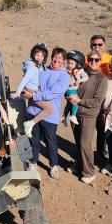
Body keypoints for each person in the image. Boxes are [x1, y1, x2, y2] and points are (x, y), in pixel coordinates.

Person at [23, 47, 70, 179]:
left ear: (63, 61)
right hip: (33, 110)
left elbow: (52, 93)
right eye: (55, 57)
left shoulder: (64, 76)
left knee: (51, 142)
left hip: (49, 116)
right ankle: (33, 162)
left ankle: (53, 165)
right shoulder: (42, 70)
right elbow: (31, 83)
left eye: (59, 58)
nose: (56, 60)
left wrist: (33, 96)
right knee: (34, 140)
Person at [67, 50, 108, 184]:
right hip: (75, 113)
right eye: (91, 59)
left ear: (100, 62)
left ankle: (89, 172)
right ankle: (80, 166)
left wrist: (80, 101)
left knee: (85, 144)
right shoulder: (82, 72)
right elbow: (73, 88)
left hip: (89, 115)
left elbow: (97, 101)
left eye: (96, 60)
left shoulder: (101, 78)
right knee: (79, 143)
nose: (93, 62)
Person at [10, 43, 53, 137]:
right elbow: (24, 80)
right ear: (33, 55)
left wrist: (46, 50)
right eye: (37, 55)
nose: (39, 57)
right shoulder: (32, 67)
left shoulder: (35, 65)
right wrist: (18, 92)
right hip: (31, 91)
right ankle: (30, 124)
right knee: (50, 109)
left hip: (35, 90)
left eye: (42, 56)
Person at [85, 35, 112, 165]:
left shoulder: (111, 60)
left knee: (104, 128)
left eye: (99, 44)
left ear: (104, 45)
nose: (97, 47)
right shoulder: (87, 59)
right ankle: (86, 155)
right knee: (88, 129)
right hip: (89, 100)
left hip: (106, 100)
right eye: (94, 45)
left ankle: (103, 154)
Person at [61, 50, 88, 127]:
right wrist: (68, 82)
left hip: (73, 89)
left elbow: (86, 77)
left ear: (78, 64)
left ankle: (64, 117)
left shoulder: (80, 71)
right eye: (68, 63)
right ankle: (73, 115)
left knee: (69, 104)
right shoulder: (65, 70)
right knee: (75, 102)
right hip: (69, 89)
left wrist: (80, 80)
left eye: (72, 64)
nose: (69, 65)